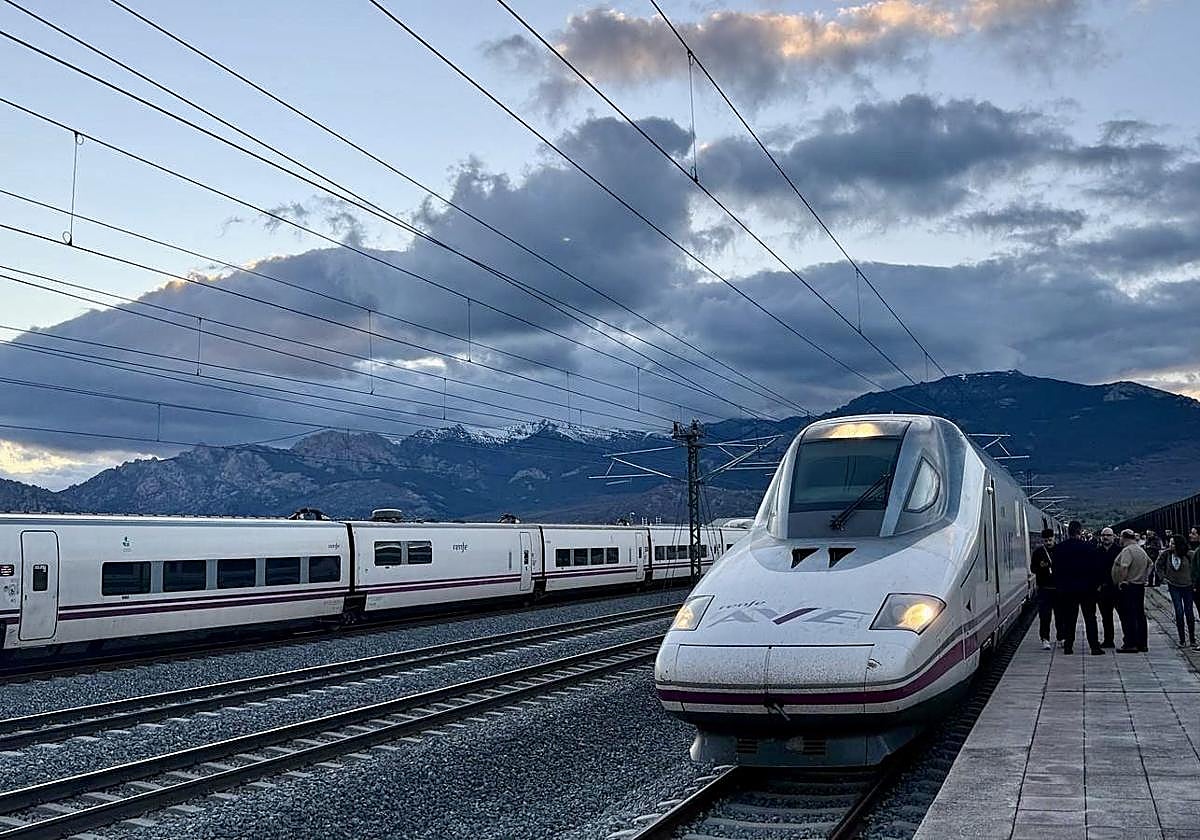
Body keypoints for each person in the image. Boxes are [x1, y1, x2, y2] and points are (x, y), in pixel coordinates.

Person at [1054, 520, 1105, 655]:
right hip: (1088, 590)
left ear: (1068, 532)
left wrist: (1060, 587)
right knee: (1090, 618)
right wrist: (1096, 585)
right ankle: (1094, 647)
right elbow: (1097, 568)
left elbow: (1056, 570)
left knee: (1069, 619)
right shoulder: (1089, 547)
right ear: (1080, 531)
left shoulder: (1059, 548)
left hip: (1068, 590)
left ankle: (1068, 647)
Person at [1113, 529, 1152, 652]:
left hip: (1129, 586)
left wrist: (1121, 581)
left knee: (1128, 615)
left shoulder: (1128, 550)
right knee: (1140, 615)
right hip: (1139, 586)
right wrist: (1145, 577)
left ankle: (1130, 644)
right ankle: (1142, 643)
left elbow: (1124, 566)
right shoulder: (1141, 550)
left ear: (1124, 538)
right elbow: (1151, 564)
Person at [1156, 534, 1197, 649]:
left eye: (1173, 543)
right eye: (1170, 543)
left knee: (1189, 612)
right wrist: (1163, 577)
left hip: (1188, 586)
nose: (1170, 545)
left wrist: (1194, 581)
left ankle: (1192, 639)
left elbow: (1196, 567)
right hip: (1174, 585)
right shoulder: (1166, 554)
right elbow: (1158, 565)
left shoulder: (1189, 554)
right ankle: (1182, 639)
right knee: (1179, 611)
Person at [1030, 528, 1058, 649]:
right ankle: (1045, 638)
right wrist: (1041, 567)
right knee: (1044, 616)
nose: (1048, 542)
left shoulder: (1059, 550)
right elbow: (1033, 569)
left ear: (1054, 538)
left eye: (1050, 540)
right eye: (1046, 540)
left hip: (1058, 588)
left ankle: (1061, 636)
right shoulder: (1038, 553)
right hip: (1044, 588)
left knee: (1060, 614)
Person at [1095, 527, 1120, 648]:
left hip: (1117, 588)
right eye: (1104, 535)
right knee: (1106, 617)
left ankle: (1129, 640)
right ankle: (1108, 640)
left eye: (1108, 535)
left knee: (1123, 615)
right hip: (1103, 589)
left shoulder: (1120, 551)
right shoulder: (1097, 551)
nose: (1106, 537)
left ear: (1113, 537)